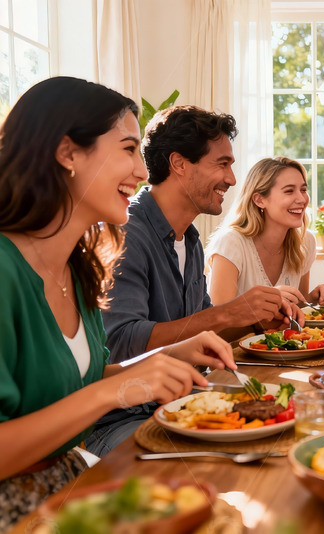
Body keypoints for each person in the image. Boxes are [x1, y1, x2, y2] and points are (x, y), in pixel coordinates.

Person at [0, 77, 236, 529]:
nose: (144, 172)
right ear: (68, 153)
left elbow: (76, 379)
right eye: (127, 149)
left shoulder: (80, 268)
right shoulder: (6, 271)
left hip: (68, 481)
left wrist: (165, 356)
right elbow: (93, 394)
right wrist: (111, 391)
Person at [89, 105, 300, 456]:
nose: (232, 180)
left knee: (285, 435)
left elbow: (202, 334)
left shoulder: (189, 238)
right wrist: (225, 314)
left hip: (183, 402)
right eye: (222, 163)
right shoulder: (126, 235)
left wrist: (252, 320)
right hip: (125, 419)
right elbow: (121, 342)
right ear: (180, 164)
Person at [206, 156, 324, 307]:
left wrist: (311, 298)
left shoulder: (305, 241)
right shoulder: (231, 243)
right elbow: (219, 317)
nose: (302, 199)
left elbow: (297, 305)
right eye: (289, 191)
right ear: (259, 200)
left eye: (303, 190)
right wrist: (267, 300)